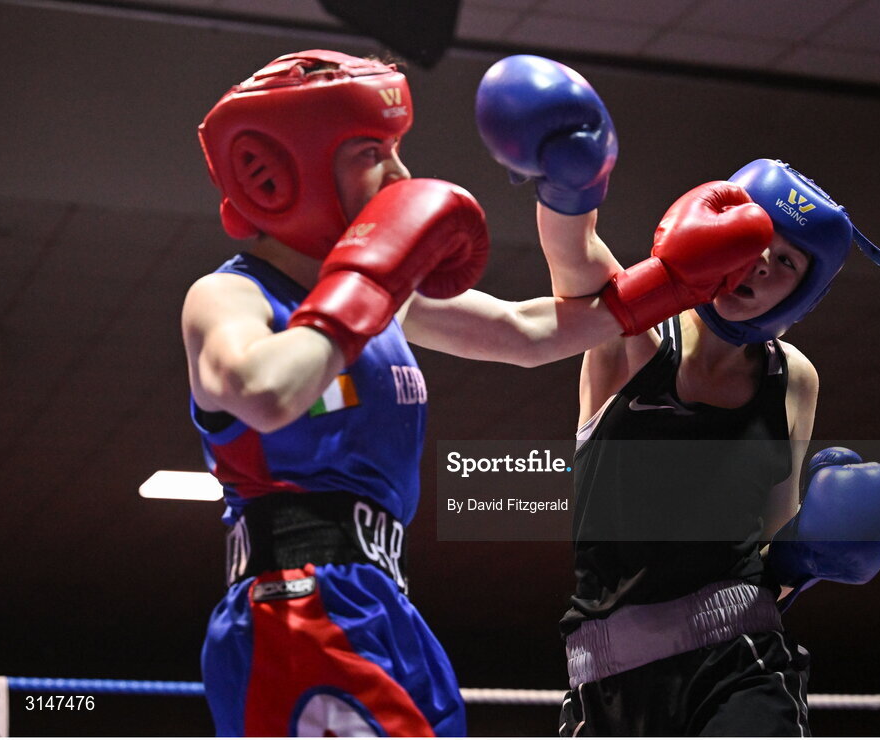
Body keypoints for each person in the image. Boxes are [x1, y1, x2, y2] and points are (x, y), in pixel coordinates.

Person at [183, 49, 643, 737]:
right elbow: (263, 392)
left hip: (381, 600)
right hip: (294, 605)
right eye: (374, 151)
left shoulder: (387, 302)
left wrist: (676, 277)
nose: (400, 175)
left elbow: (528, 332)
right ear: (284, 171)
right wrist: (368, 284)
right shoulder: (227, 296)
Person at [476, 55, 880, 736]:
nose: (761, 262)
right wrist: (569, 178)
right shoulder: (630, 333)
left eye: (786, 261)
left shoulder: (791, 377)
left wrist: (805, 562)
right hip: (606, 680)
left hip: (740, 665)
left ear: (803, 292)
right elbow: (574, 258)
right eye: (756, 235)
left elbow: (762, 549)